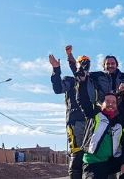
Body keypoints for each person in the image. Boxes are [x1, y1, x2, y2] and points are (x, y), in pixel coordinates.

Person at [76, 75, 124, 179]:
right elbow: (82, 100)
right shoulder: (94, 114)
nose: (111, 104)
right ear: (102, 104)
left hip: (110, 161)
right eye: (108, 102)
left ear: (117, 105)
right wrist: (82, 82)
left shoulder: (120, 121)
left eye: (114, 102)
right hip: (93, 163)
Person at [49, 45, 88, 179]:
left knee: (92, 157)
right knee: (77, 156)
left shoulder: (93, 81)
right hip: (75, 122)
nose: (84, 65)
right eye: (82, 63)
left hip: (93, 123)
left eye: (87, 63)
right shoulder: (70, 81)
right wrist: (56, 69)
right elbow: (58, 88)